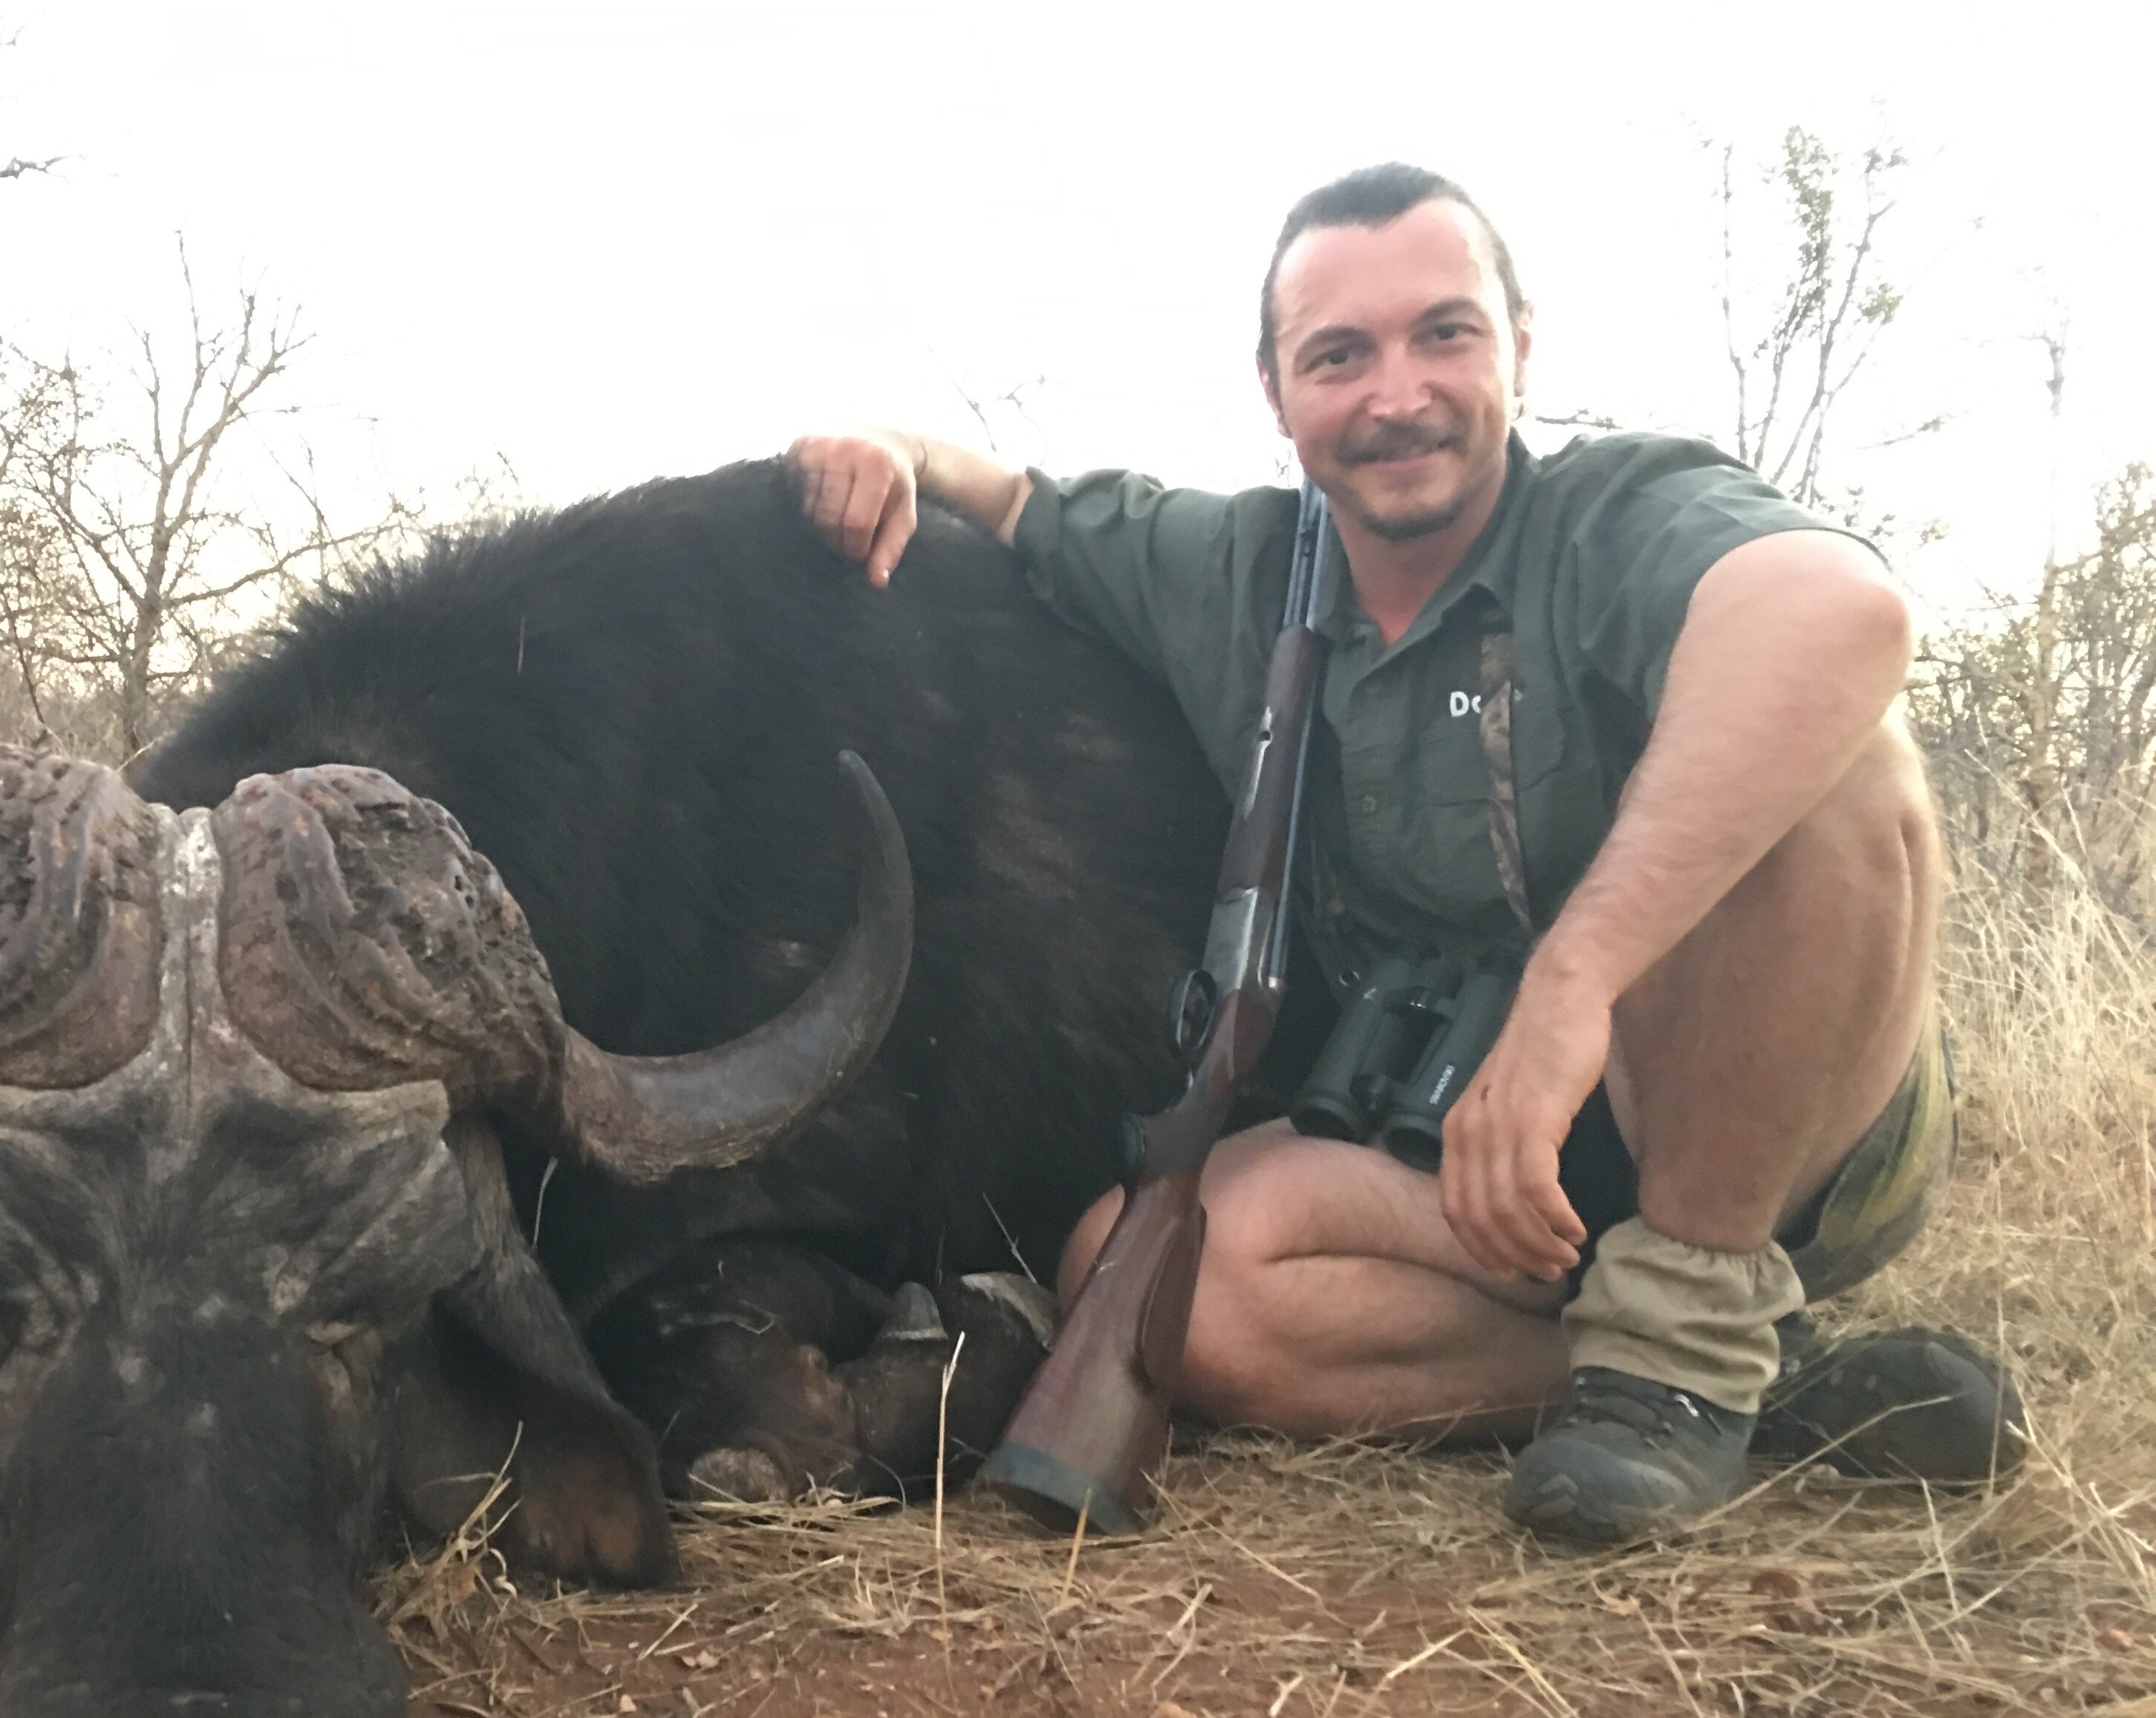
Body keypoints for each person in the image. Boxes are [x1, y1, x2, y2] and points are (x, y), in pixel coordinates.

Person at [789, 162, 2021, 1546]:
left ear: (1519, 346)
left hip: (1755, 1117)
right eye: (1338, 355)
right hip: (1476, 1158)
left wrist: (1573, 988)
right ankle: (1748, 1385)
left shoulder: (1619, 512)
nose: (1394, 394)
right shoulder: (1230, 569)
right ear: (1275, 392)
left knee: (1842, 770)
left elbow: (1841, 615)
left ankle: (1691, 1322)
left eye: (1443, 332)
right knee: (1144, 1274)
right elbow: (1005, 497)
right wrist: (886, 444)